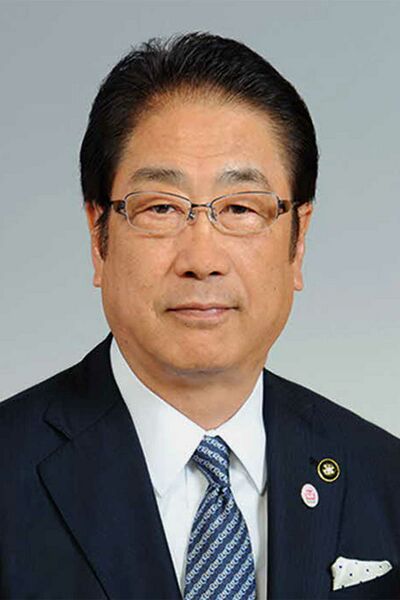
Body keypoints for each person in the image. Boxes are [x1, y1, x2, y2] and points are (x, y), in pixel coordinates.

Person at [0, 31, 399, 600]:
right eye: (161, 208)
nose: (202, 259)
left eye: (240, 208)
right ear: (98, 236)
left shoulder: (384, 477)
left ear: (298, 241)